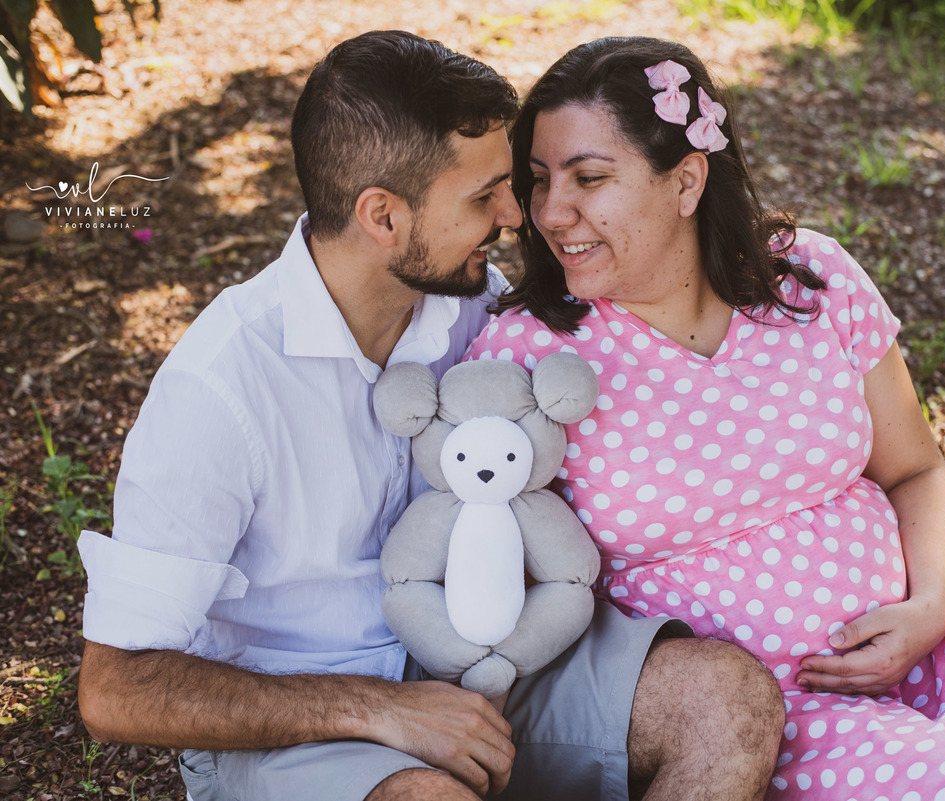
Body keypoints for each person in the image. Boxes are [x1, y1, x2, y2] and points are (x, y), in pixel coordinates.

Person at [467, 35, 945, 800]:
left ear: (686, 181)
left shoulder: (808, 280)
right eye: (542, 178)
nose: (551, 211)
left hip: (938, 630)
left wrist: (927, 607)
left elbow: (916, 468)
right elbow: (505, 572)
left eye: (589, 177)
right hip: (777, 711)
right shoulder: (529, 354)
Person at [75, 30, 786, 801]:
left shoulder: (469, 313)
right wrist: (381, 708)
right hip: (297, 727)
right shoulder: (221, 386)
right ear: (383, 216)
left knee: (726, 700)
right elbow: (117, 688)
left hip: (480, 661)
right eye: (484, 196)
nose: (520, 213)